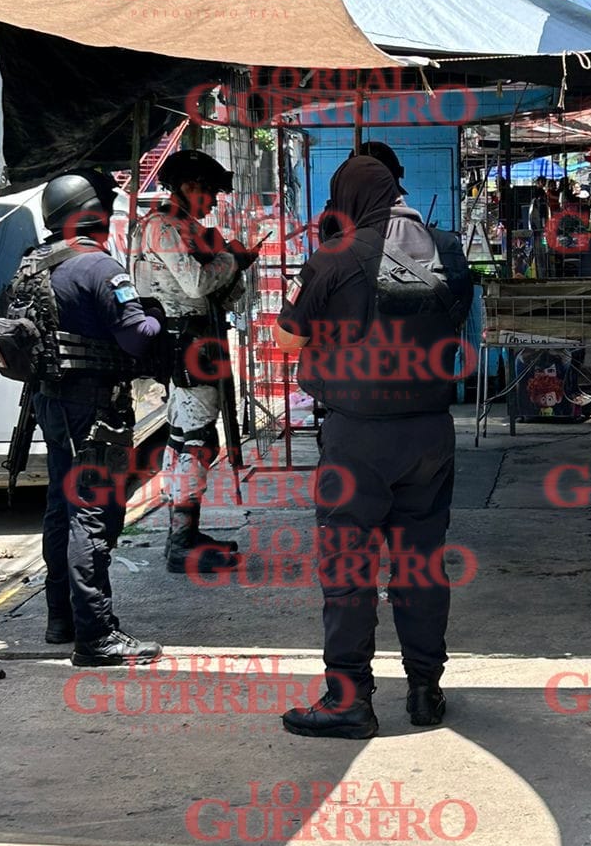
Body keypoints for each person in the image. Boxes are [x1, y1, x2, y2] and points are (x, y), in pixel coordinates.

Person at [272, 156, 474, 739]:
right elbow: (459, 317)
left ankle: (349, 700)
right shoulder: (447, 248)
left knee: (348, 569)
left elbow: (288, 338)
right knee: (422, 565)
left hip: (358, 437)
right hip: (431, 433)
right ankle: (425, 689)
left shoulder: (337, 255)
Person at [27, 169, 165, 665]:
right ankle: (96, 636)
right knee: (91, 510)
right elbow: (137, 337)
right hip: (91, 405)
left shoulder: (34, 263)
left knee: (60, 506)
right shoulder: (99, 267)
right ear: (93, 213)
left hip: (49, 400)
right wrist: (156, 317)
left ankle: (60, 618)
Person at [133, 149, 258, 576]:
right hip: (186, 344)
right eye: (210, 193)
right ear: (188, 187)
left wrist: (231, 263)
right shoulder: (165, 227)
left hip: (196, 339)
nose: (213, 202)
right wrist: (232, 258)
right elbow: (197, 282)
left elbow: (222, 294)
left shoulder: (180, 226)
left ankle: (184, 534)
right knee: (197, 440)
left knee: (185, 437)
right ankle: (182, 542)